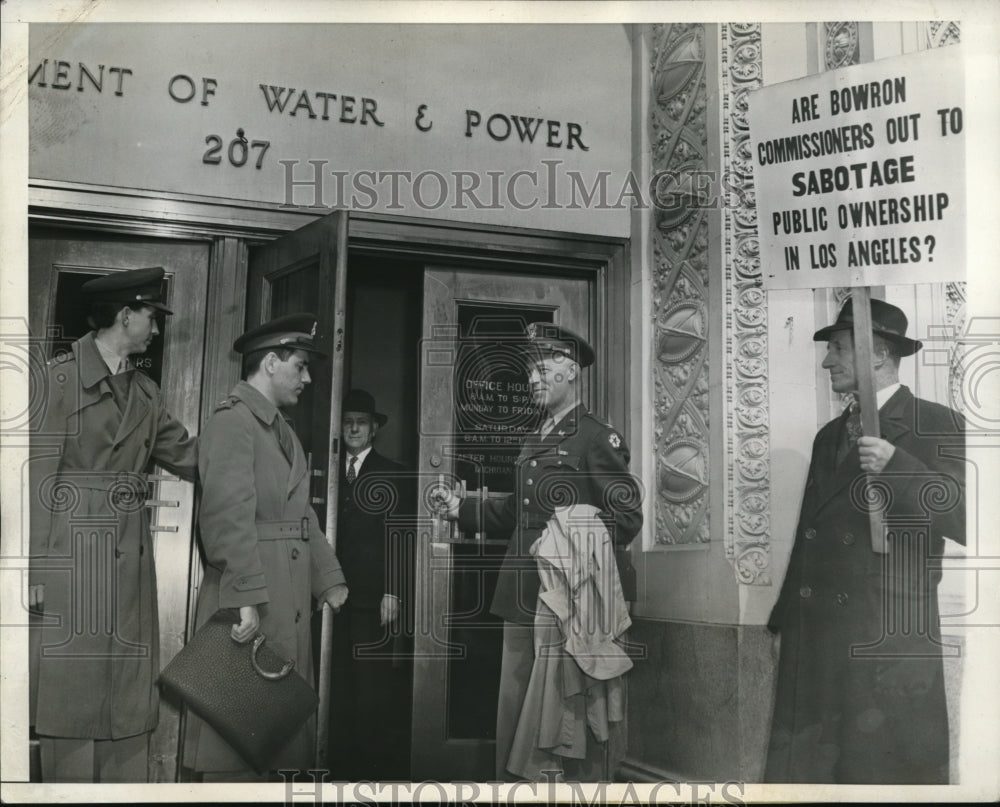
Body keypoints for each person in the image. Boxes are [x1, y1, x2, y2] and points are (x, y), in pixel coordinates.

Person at [765, 297, 966, 784]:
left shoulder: (935, 422)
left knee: (879, 772)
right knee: (816, 774)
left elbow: (965, 518)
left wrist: (898, 467)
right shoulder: (829, 435)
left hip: (888, 637)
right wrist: (786, 619)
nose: (827, 361)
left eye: (837, 347)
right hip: (818, 635)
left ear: (877, 354)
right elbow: (809, 533)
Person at [435, 322, 643, 781]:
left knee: (567, 715)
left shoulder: (595, 437)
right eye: (529, 365)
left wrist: (569, 531)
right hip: (523, 591)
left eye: (544, 363)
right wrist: (460, 509)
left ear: (571, 369)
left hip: (569, 598)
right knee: (515, 704)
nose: (532, 374)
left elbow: (626, 519)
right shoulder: (535, 435)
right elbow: (515, 511)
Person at [28, 267, 198, 783]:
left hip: (128, 557)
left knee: (125, 695)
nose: (158, 329)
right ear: (126, 316)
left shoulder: (145, 392)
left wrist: (251, 460)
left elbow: (190, 456)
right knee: (72, 698)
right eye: (152, 317)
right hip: (73, 556)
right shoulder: (55, 380)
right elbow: (32, 478)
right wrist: (33, 569)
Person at [182, 313, 349, 781]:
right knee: (238, 742)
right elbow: (226, 520)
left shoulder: (278, 428)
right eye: (300, 365)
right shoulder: (233, 422)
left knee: (273, 740)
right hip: (252, 595)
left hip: (283, 593)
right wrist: (244, 600)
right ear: (271, 362)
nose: (307, 377)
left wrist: (328, 577)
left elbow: (300, 516)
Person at [327, 389, 412, 780]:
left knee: (370, 685)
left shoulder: (392, 472)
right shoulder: (324, 470)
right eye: (347, 422)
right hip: (327, 595)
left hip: (371, 595)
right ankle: (333, 762)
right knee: (333, 677)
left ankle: (369, 768)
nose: (355, 428)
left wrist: (393, 591)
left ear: (374, 428)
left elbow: (399, 535)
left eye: (362, 421)